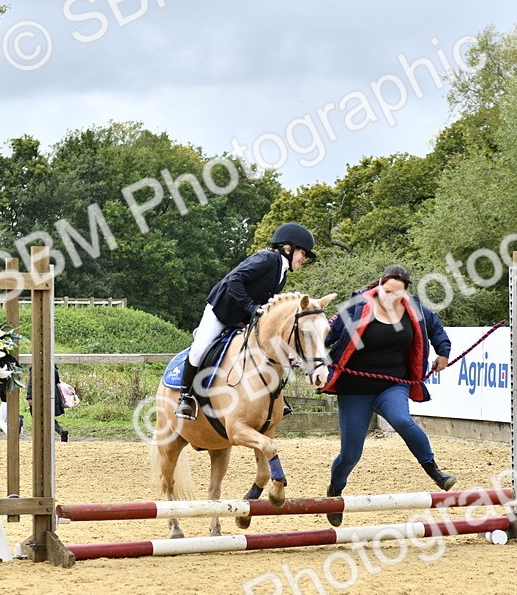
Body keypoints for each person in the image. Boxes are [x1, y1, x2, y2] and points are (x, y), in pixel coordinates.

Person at [312, 264, 455, 526]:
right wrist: (312, 359)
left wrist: (443, 352)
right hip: (355, 388)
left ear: (406, 292)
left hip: (393, 384)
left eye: (396, 293)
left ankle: (434, 470)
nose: (390, 297)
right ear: (379, 284)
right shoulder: (357, 306)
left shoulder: (415, 308)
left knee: (402, 420)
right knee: (350, 454)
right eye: (386, 291)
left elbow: (435, 329)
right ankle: (335, 490)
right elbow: (327, 334)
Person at [175, 222, 318, 420]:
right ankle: (185, 397)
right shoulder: (267, 259)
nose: (304, 258)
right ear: (288, 248)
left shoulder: (282, 274)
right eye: (303, 253)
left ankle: (273, 397)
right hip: (222, 311)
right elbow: (234, 279)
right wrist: (251, 307)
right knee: (199, 349)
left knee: (266, 350)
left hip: (243, 316)